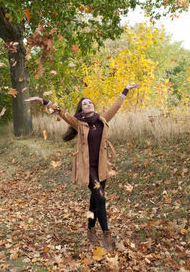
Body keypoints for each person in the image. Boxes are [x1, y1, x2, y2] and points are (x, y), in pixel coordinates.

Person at [25, 84, 139, 252]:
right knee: (100, 198)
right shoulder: (78, 123)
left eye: (90, 102)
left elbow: (116, 106)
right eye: (84, 103)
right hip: (87, 168)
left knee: (95, 201)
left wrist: (125, 90)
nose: (88, 104)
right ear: (81, 108)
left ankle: (90, 229)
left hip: (102, 166)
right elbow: (61, 112)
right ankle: (106, 235)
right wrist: (44, 101)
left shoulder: (103, 119)